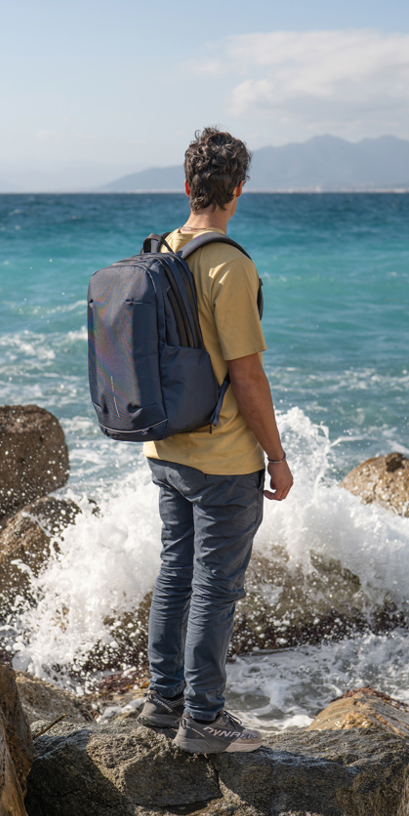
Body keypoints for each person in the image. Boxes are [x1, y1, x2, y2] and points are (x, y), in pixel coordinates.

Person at [139, 127, 294, 754]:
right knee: (215, 586)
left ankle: (162, 700)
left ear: (186, 187)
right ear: (236, 191)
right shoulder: (228, 265)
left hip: (166, 448)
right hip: (223, 459)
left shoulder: (161, 250)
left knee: (175, 572)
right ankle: (204, 719)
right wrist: (277, 459)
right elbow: (248, 374)